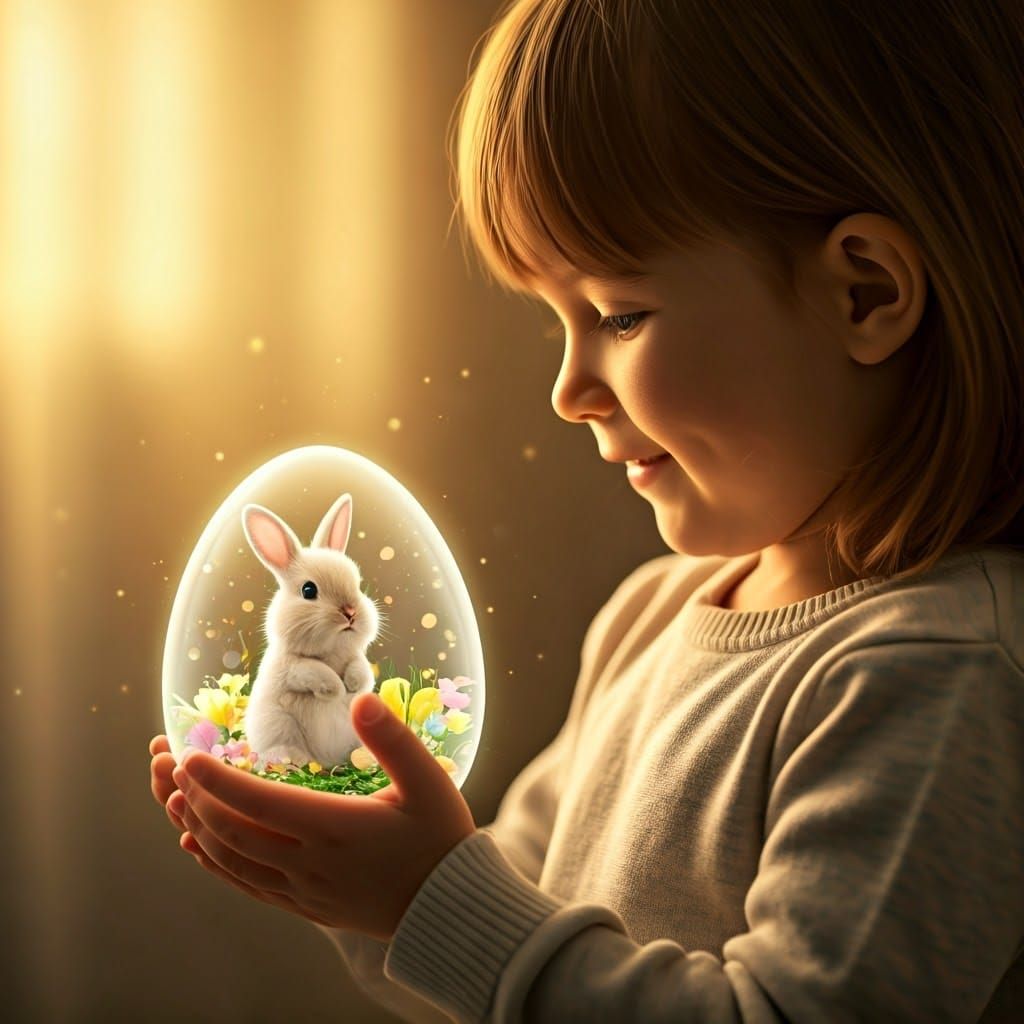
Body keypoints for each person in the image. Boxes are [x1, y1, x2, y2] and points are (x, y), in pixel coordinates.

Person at [150, 0, 1024, 1019]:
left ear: (863, 295)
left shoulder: (938, 672)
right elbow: (512, 922)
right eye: (557, 319)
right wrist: (350, 868)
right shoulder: (651, 616)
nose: (569, 388)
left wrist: (427, 896)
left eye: (617, 312)